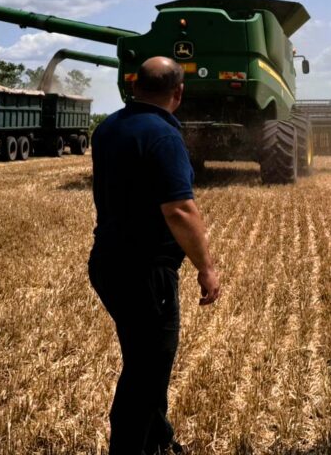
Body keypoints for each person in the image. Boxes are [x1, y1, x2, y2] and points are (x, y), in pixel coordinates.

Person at [88, 57, 221, 455]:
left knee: (143, 357)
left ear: (134, 85)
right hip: (145, 270)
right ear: (178, 92)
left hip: (107, 260)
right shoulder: (163, 136)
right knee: (147, 370)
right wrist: (206, 267)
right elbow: (179, 209)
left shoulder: (108, 127)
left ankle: (157, 442)